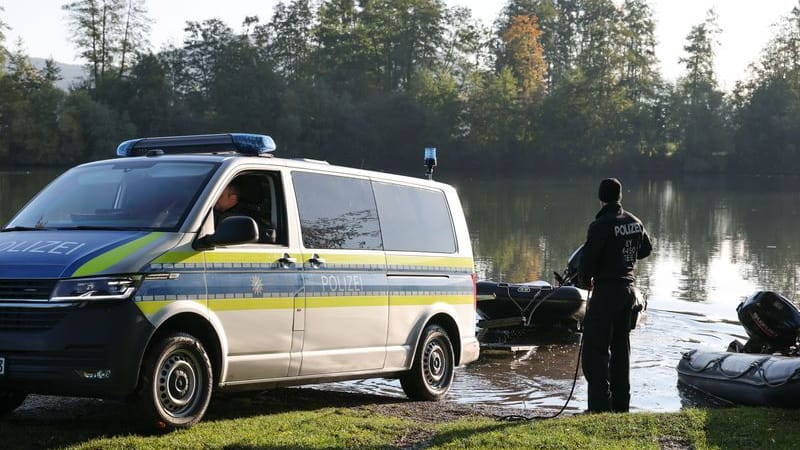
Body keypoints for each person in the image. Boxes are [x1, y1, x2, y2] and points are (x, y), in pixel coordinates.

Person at [578, 178, 652, 413]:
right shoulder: (634, 222)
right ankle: (621, 406)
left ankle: (599, 407)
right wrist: (624, 257)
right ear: (620, 197)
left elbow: (586, 262)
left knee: (595, 350)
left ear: (601, 198)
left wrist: (585, 280)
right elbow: (646, 249)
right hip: (628, 293)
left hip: (607, 293)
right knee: (621, 350)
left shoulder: (599, 225)